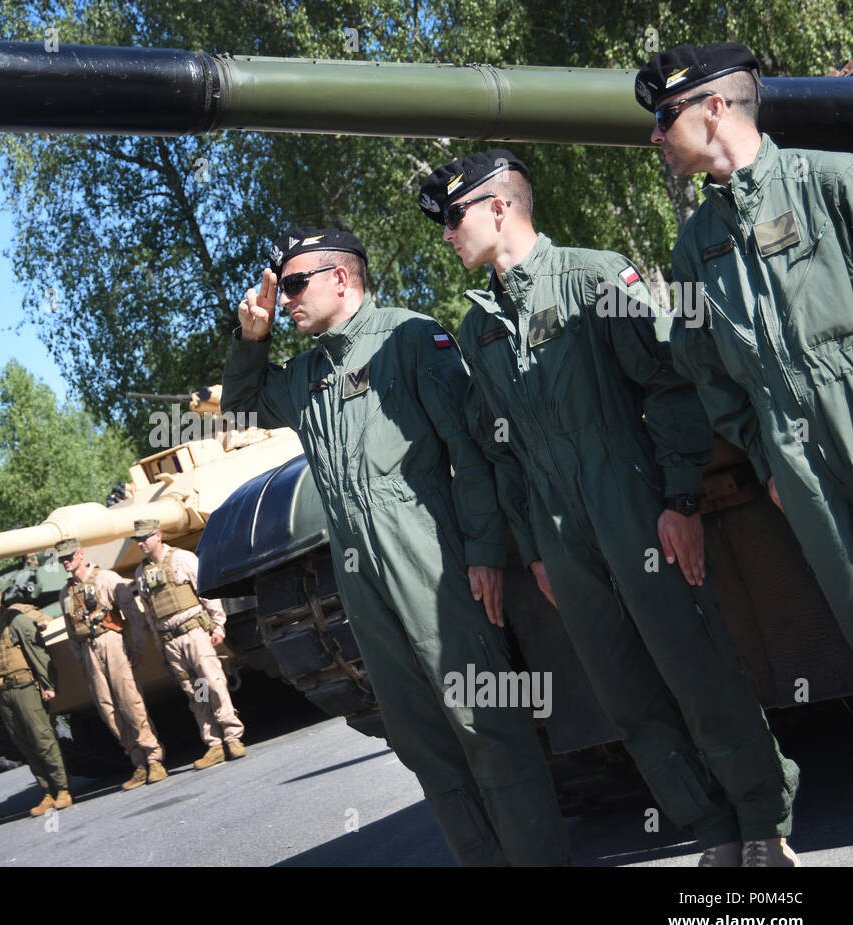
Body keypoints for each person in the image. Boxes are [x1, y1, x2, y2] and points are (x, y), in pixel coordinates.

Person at [420, 149, 800, 867]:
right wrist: (536, 550)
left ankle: (763, 824)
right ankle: (713, 832)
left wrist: (681, 500)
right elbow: (504, 455)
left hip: (634, 505)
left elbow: (669, 383)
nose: (446, 234)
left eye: (453, 217)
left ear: (500, 208)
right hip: (563, 537)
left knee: (698, 669)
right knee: (629, 697)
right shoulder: (479, 329)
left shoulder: (596, 276)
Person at [222, 226, 569, 866]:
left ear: (342, 279)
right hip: (363, 582)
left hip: (432, 563)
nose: (287, 298)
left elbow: (471, 449)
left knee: (484, 724)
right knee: (420, 739)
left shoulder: (409, 338)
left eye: (296, 284)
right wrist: (253, 334)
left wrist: (485, 551)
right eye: (283, 288)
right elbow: (241, 406)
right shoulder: (305, 377)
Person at [636, 42, 853, 650]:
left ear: (712, 108)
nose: (655, 137)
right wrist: (768, 460)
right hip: (796, 462)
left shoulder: (832, 182)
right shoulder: (691, 252)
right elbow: (703, 369)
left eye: (663, 117)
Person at [131, 518, 246, 769]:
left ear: (158, 536)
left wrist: (218, 625)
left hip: (194, 632)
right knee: (196, 692)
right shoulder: (141, 574)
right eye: (137, 540)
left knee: (213, 682)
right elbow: (150, 613)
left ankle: (232, 736)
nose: (140, 544)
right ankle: (214, 743)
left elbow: (205, 591)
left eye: (144, 538)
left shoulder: (182, 559)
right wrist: (160, 644)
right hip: (171, 640)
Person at [56, 538, 167, 789]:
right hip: (88, 649)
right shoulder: (66, 594)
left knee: (130, 702)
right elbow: (72, 632)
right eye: (61, 558)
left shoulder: (107, 578)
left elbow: (134, 615)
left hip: (112, 642)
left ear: (81, 554)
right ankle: (137, 761)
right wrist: (82, 663)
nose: (65, 561)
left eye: (69, 556)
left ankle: (154, 758)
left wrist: (137, 648)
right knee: (108, 709)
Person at [0, 581, 72, 816]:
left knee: (43, 739)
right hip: (2, 692)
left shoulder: (15, 620)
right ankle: (47, 791)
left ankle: (63, 790)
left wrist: (48, 685)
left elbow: (37, 650)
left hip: (24, 687)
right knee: (24, 744)